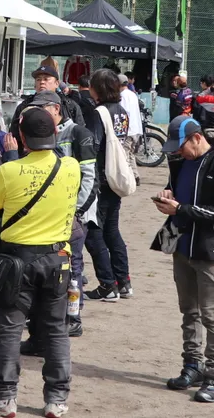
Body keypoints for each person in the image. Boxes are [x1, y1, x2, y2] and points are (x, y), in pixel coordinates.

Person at [0, 109, 81, 418]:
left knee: (9, 329)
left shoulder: (9, 170)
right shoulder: (71, 166)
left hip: (16, 260)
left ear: (22, 138)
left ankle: (5, 397)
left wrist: (13, 158)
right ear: (55, 133)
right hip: (57, 258)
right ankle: (56, 399)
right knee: (56, 330)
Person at [152, 116, 214, 405]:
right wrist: (168, 196)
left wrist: (181, 208)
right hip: (182, 247)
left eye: (181, 146)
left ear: (196, 138)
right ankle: (192, 366)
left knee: (212, 316)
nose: (178, 152)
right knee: (188, 311)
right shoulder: (180, 162)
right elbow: (176, 191)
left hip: (211, 251)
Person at [18, 91, 96, 355]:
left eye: (41, 108)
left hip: (71, 218)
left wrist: (76, 212)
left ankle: (73, 318)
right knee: (45, 274)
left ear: (55, 108)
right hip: (44, 218)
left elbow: (89, 178)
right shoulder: (36, 132)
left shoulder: (78, 133)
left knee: (72, 269)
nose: (35, 113)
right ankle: (39, 330)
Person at [84, 68, 133, 302]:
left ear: (97, 89)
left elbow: (93, 146)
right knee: (112, 231)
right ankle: (123, 281)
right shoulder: (121, 111)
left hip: (101, 178)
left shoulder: (99, 112)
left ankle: (107, 284)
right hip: (116, 177)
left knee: (94, 232)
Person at [9, 65, 86, 137]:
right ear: (35, 85)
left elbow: (80, 133)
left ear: (56, 83)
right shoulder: (24, 106)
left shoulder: (70, 105)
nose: (42, 82)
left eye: (46, 79)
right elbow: (14, 134)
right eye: (38, 79)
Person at [119, 73, 143, 181]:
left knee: (125, 156)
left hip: (128, 131)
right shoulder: (132, 94)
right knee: (131, 154)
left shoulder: (122, 96)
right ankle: (135, 175)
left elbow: (124, 114)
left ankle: (129, 179)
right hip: (136, 130)